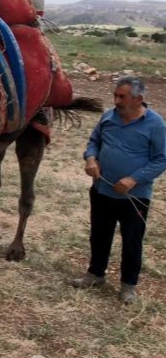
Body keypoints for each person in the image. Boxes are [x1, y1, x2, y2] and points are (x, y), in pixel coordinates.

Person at [70, 75, 166, 303]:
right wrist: (91, 158)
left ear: (138, 99)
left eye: (122, 97)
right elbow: (94, 141)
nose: (116, 101)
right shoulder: (109, 117)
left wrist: (134, 179)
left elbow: (162, 158)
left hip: (135, 196)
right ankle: (95, 274)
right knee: (99, 234)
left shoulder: (155, 124)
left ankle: (128, 285)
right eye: (115, 95)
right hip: (102, 190)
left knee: (132, 240)